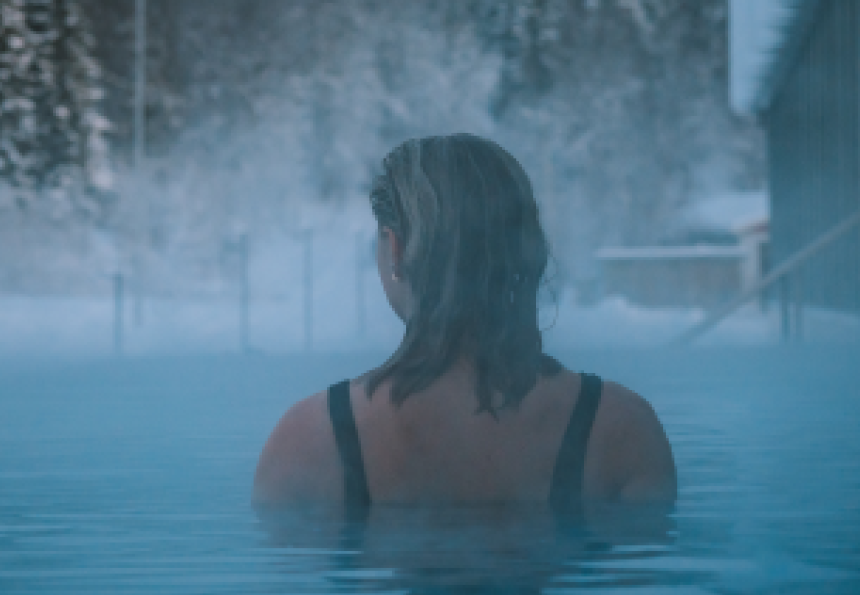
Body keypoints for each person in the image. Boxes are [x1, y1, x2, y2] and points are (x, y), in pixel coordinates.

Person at [252, 134, 676, 512]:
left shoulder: (309, 441)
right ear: (526, 250)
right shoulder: (622, 429)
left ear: (395, 249)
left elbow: (292, 592)